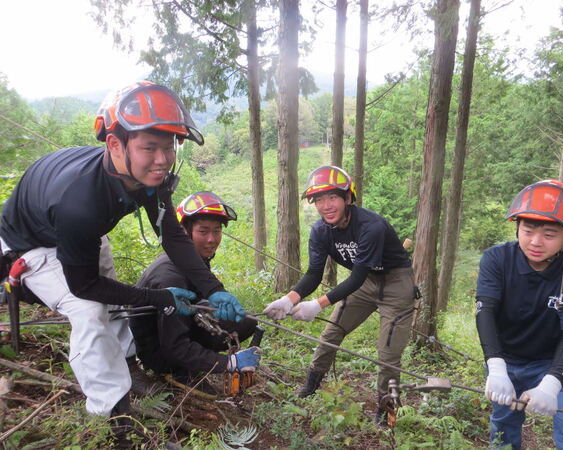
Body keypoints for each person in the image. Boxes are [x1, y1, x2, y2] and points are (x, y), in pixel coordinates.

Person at [0, 81, 246, 420]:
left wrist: (214, 290)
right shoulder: (80, 203)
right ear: (115, 144)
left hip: (79, 233)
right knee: (88, 310)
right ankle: (113, 416)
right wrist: (159, 298)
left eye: (170, 146)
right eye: (150, 147)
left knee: (113, 292)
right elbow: (84, 286)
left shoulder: (145, 176)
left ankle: (130, 368)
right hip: (30, 244)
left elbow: (172, 236)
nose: (162, 160)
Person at [263, 165, 416, 424]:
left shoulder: (371, 226)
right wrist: (290, 299)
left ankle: (386, 409)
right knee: (331, 332)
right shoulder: (320, 232)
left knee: (388, 355)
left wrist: (318, 305)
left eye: (332, 197)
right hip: (366, 282)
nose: (326, 206)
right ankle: (310, 385)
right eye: (319, 200)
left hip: (396, 284)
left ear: (347, 198)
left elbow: (355, 276)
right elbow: (314, 274)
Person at [475, 179, 563, 449]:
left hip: (555, 363)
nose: (535, 242)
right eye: (528, 229)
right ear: (517, 226)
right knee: (503, 428)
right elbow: (485, 311)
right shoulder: (497, 259)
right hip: (505, 359)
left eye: (549, 234)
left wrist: (552, 383)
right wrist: (496, 368)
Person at [129, 191, 260, 394]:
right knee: (234, 325)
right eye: (203, 231)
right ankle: (178, 371)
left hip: (177, 327)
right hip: (160, 350)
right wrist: (227, 362)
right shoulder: (170, 277)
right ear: (184, 231)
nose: (211, 239)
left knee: (245, 321)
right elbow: (174, 346)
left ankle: (192, 364)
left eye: (216, 231)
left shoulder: (193, 263)